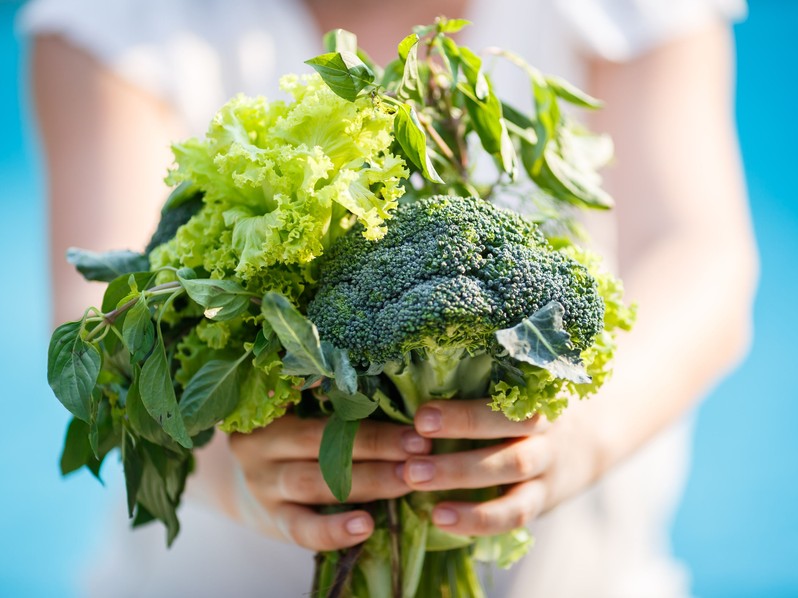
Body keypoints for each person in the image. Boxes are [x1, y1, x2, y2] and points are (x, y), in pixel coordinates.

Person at [22, 0, 757, 595]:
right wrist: (229, 472)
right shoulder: (116, 21)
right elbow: (102, 319)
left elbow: (702, 257)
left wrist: (575, 439)